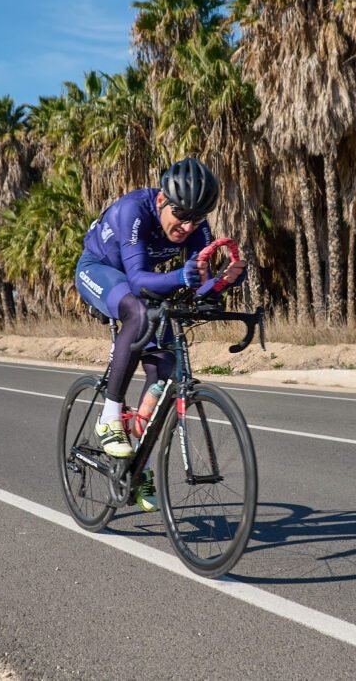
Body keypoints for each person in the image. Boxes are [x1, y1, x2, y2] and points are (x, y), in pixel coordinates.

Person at [74, 158, 246, 512]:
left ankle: (138, 465)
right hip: (100, 271)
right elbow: (136, 280)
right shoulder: (132, 211)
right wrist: (182, 278)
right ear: (161, 200)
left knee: (164, 371)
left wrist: (223, 283)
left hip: (145, 286)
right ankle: (109, 416)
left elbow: (196, 286)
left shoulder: (196, 226)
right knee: (136, 311)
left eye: (196, 218)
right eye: (180, 214)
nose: (186, 225)